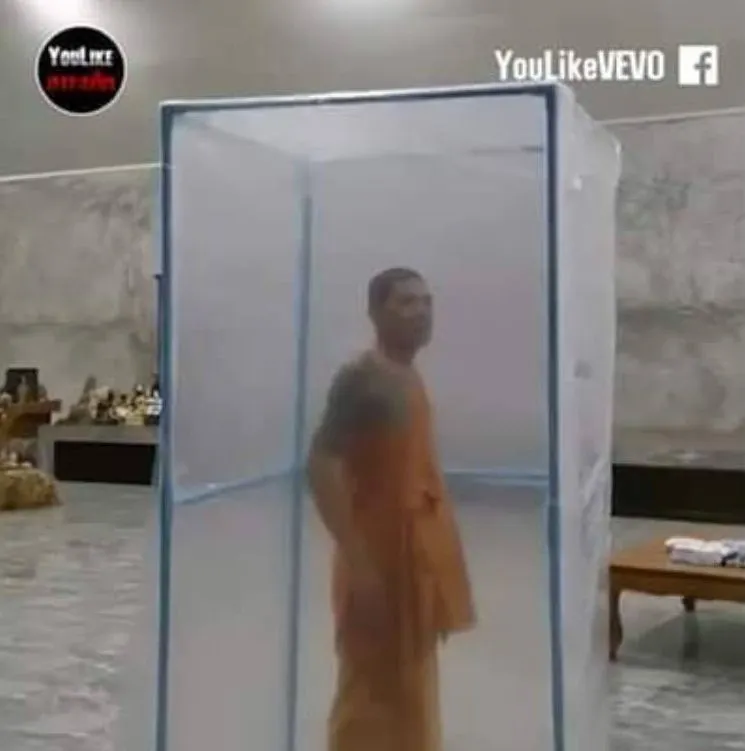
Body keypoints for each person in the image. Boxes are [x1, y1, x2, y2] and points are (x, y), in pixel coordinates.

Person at [307, 267, 476, 751]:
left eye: (426, 301)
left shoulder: (407, 377)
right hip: (377, 561)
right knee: (369, 695)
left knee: (411, 693)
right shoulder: (363, 380)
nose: (421, 311)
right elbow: (321, 466)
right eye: (405, 301)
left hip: (412, 563)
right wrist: (360, 563)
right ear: (375, 312)